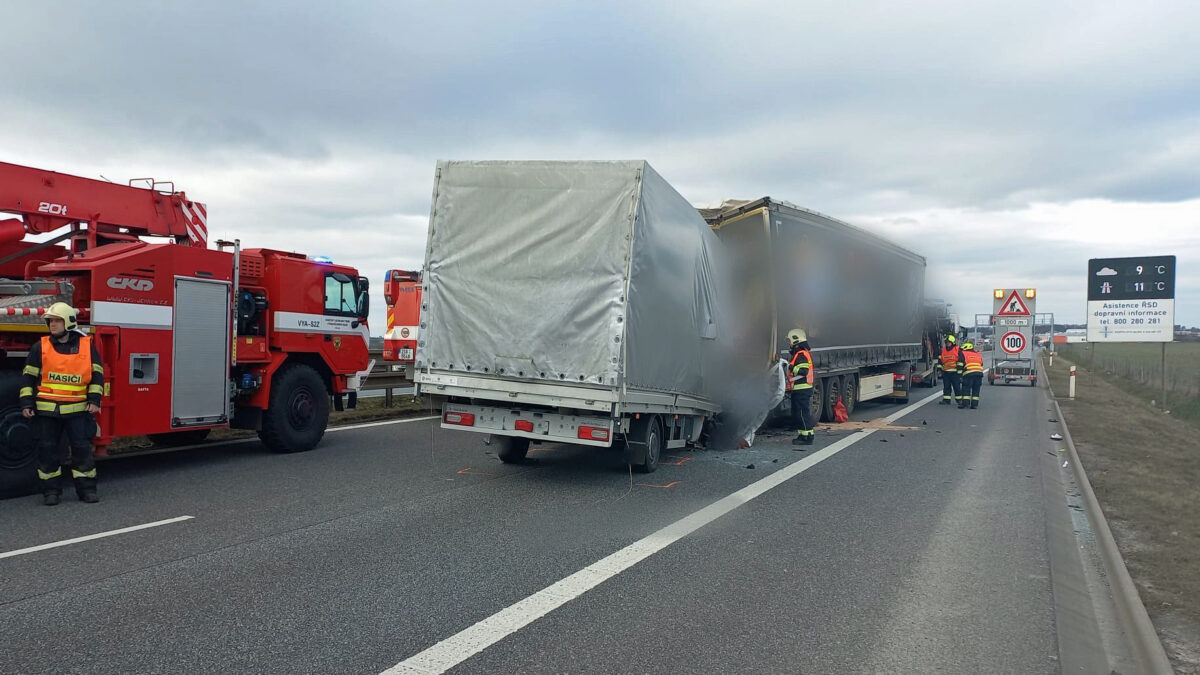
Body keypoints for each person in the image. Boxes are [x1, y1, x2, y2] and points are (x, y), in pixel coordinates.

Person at [20, 303, 104, 505]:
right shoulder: (40, 347)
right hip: (47, 412)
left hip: (78, 411)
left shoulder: (86, 346)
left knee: (82, 450)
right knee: (47, 451)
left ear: (68, 322)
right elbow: (28, 378)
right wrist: (26, 403)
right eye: (50, 321)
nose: (52, 325)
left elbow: (97, 376)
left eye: (57, 321)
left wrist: (94, 400)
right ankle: (51, 492)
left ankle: (87, 490)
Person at [787, 329, 816, 448]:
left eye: (790, 340)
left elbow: (803, 371)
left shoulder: (801, 354)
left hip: (802, 389)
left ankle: (807, 437)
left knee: (802, 413)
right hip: (800, 388)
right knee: (799, 413)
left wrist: (789, 367)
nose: (789, 343)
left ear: (795, 340)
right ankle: (803, 434)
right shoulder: (799, 354)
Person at [958, 341, 985, 409]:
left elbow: (960, 365)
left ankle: (965, 404)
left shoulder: (963, 353)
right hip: (979, 374)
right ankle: (974, 405)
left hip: (968, 374)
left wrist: (959, 376)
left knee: (966, 389)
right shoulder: (978, 354)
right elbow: (981, 364)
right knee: (976, 390)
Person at [939, 334, 962, 405]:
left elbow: (961, 361)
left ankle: (959, 400)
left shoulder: (957, 349)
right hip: (946, 372)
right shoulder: (943, 350)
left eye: (949, 342)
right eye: (946, 342)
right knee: (946, 387)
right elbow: (940, 360)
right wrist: (940, 369)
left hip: (955, 372)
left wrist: (960, 373)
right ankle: (946, 400)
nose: (947, 344)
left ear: (952, 343)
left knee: (956, 387)